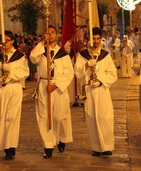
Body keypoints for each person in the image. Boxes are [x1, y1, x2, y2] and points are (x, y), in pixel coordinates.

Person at [30, 25, 74, 159]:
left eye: (53, 33)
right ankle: (48, 146)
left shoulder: (63, 55)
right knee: (44, 117)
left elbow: (69, 73)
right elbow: (32, 57)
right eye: (48, 33)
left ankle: (61, 138)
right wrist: (42, 42)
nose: (50, 35)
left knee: (59, 117)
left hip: (58, 88)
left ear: (57, 35)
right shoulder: (41, 52)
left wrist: (55, 85)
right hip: (44, 86)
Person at [0, 30, 29, 160]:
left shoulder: (19, 56)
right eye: (2, 41)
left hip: (14, 88)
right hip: (0, 89)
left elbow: (24, 72)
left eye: (7, 40)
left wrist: (10, 74)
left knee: (12, 117)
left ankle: (11, 146)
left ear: (12, 41)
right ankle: (5, 145)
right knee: (0, 117)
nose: (4, 43)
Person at [74, 27, 118, 157]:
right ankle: (96, 147)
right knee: (92, 118)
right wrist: (87, 65)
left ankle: (107, 146)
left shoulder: (105, 55)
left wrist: (101, 81)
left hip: (102, 90)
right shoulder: (83, 55)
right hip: (89, 90)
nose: (96, 41)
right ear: (89, 39)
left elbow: (113, 74)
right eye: (94, 38)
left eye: (98, 38)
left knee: (105, 117)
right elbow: (77, 73)